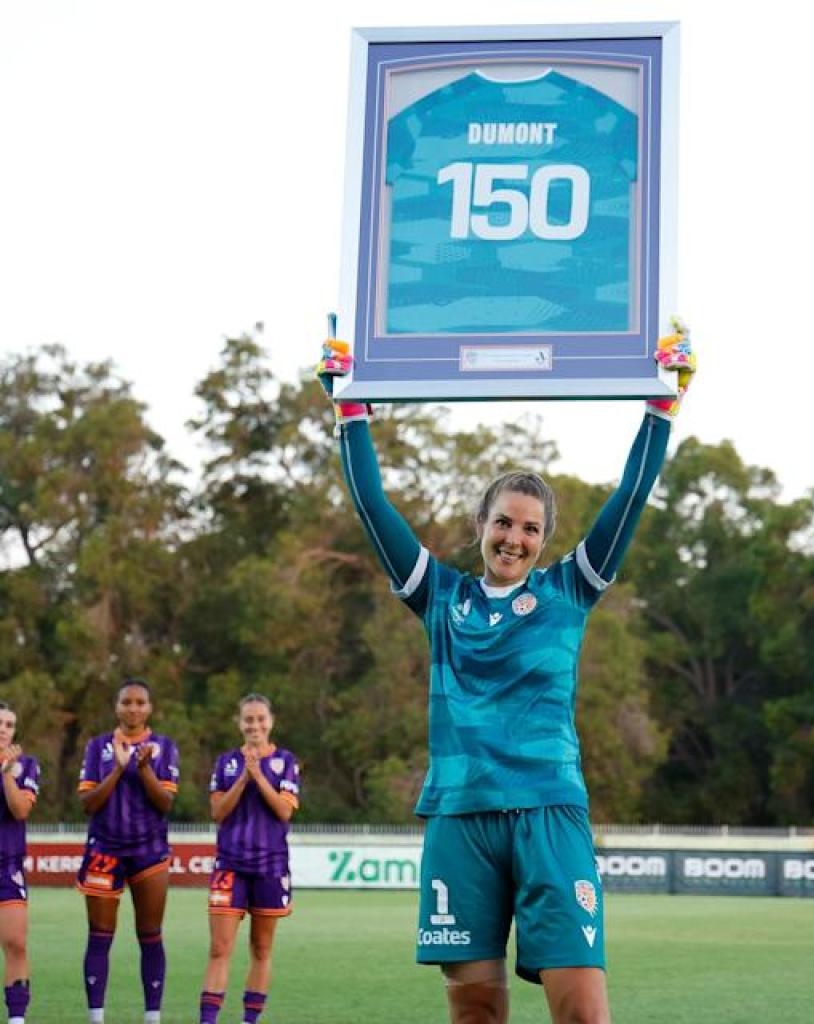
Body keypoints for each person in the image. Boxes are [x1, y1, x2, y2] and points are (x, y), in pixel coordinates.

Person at [316, 322, 695, 1024]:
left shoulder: (568, 591)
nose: (513, 538)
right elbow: (372, 503)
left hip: (549, 811)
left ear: (545, 541)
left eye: (529, 529)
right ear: (481, 524)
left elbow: (631, 497)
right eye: (503, 522)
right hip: (460, 819)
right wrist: (349, 409)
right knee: (476, 1016)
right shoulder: (441, 597)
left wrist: (662, 407)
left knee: (582, 1013)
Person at [77, 679, 179, 1024]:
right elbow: (88, 803)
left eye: (140, 702)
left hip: (149, 851)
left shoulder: (164, 746)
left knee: (150, 935)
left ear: (149, 708)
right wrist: (119, 768)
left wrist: (144, 768)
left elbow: (165, 802)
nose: (133, 708)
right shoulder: (97, 747)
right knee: (99, 935)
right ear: (116, 706)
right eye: (127, 702)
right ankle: (96, 1017)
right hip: (104, 850)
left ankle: (152, 1017)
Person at [197, 694, 300, 1024]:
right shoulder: (226, 762)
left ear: (271, 721)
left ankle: (249, 1020)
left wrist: (258, 776)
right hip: (230, 864)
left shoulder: (286, 761)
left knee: (261, 949)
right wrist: (244, 775)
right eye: (248, 720)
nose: (255, 725)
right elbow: (217, 812)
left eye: (260, 719)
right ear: (239, 724)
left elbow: (284, 811)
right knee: (219, 949)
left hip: (270, 866)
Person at [0, 703, 40, 1024]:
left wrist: (6, 774)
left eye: (10, 724)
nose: (4, 729)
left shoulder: (26, 765)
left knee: (16, 943)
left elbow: (21, 811)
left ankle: (17, 1019)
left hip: (7, 865)